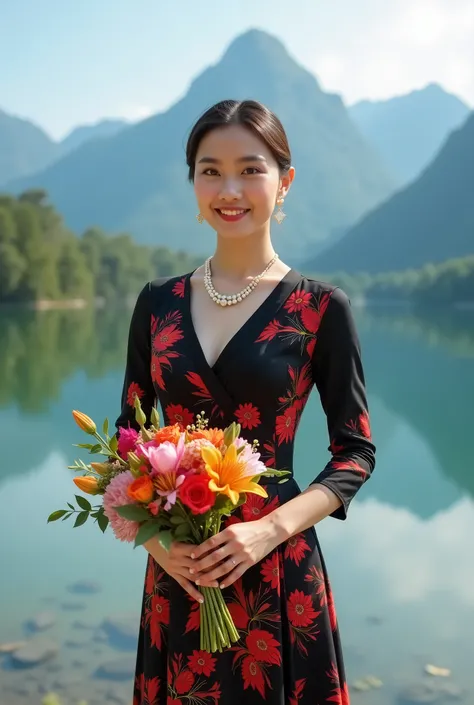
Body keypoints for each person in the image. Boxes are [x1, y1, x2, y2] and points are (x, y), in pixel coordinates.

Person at [115, 99, 376, 705]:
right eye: (210, 170)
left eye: (250, 169)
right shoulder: (156, 303)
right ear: (193, 184)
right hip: (178, 573)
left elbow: (354, 453)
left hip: (278, 570)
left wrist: (269, 531)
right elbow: (125, 447)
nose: (229, 189)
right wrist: (161, 546)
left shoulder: (319, 310)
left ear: (283, 182)